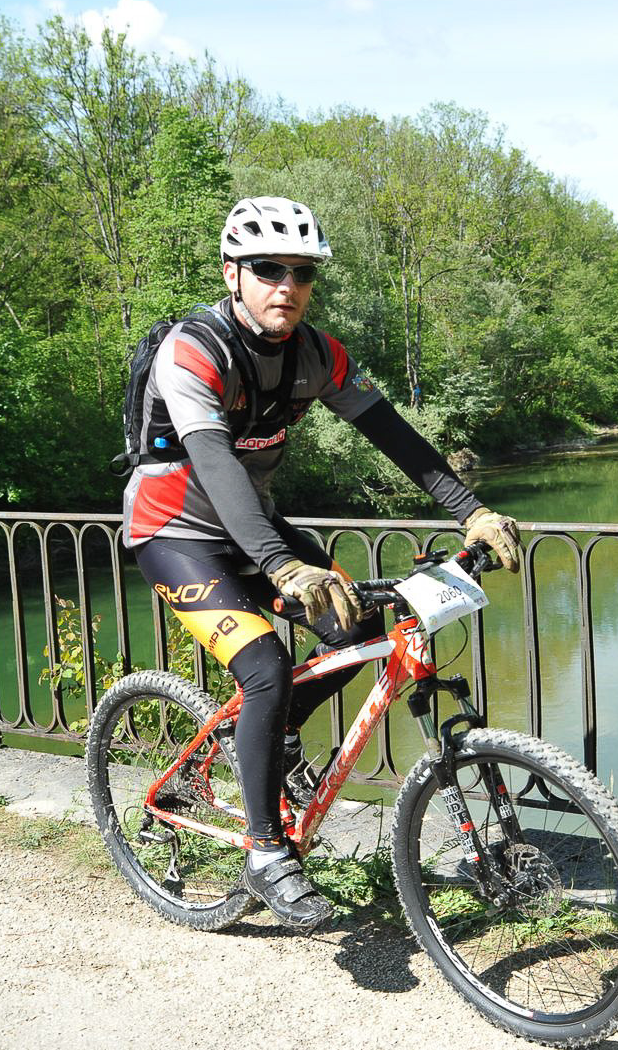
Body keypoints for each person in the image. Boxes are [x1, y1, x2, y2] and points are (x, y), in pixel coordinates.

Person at [121, 195, 521, 929]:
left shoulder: (318, 355)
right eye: (267, 268)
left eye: (301, 272)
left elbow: (393, 433)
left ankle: (270, 740)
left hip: (254, 528)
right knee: (265, 667)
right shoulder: (194, 352)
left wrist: (471, 510)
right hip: (176, 535)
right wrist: (283, 566)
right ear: (231, 272)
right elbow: (215, 464)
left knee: (357, 627)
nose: (287, 285)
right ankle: (266, 851)